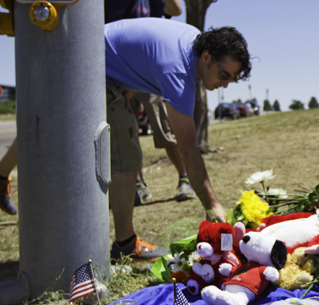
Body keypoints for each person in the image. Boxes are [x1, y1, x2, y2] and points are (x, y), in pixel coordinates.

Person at [104, 19, 251, 261]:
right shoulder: (179, 70)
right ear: (206, 56)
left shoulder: (192, 40)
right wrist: (212, 204)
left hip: (98, 64)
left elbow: (145, 57)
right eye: (224, 74)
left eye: (231, 79)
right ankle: (125, 244)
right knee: (126, 155)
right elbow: (188, 149)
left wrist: (127, 83)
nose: (225, 84)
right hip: (89, 67)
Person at [105, 0, 193, 205]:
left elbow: (175, 10)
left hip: (147, 72)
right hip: (118, 71)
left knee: (165, 129)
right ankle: (138, 184)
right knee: (126, 132)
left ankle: (184, 178)